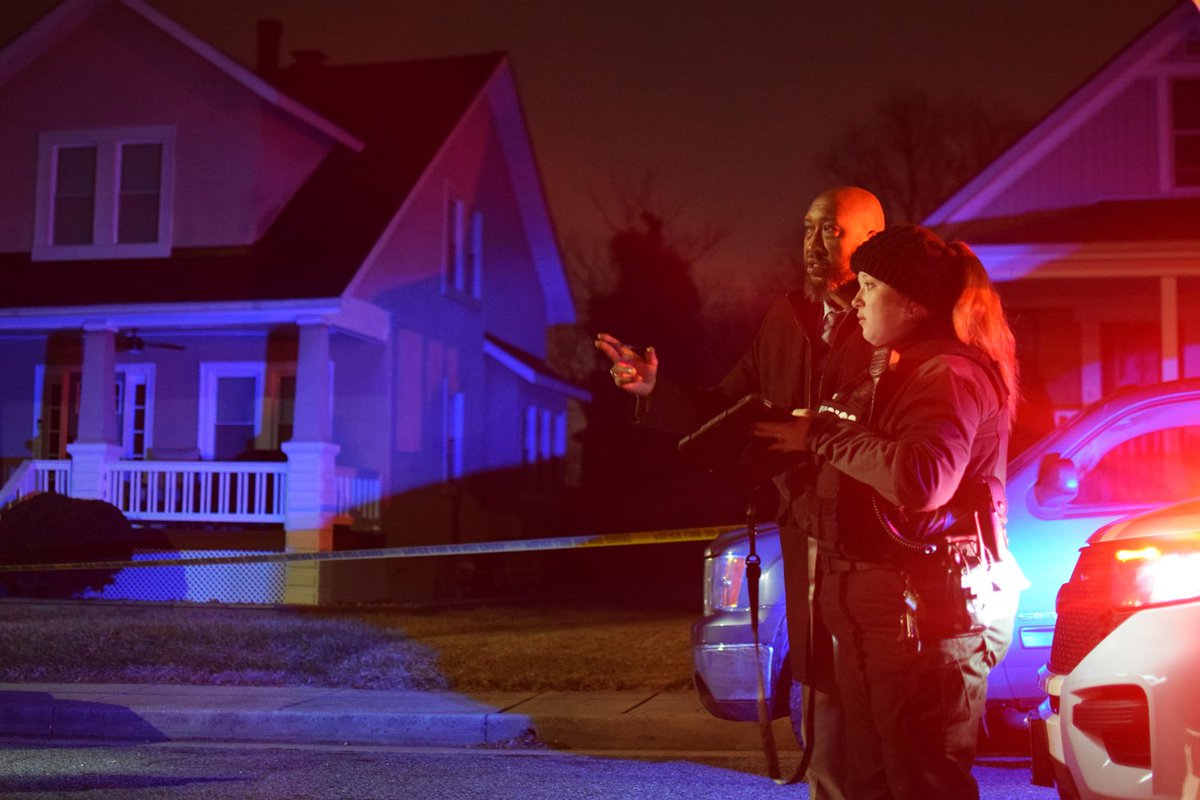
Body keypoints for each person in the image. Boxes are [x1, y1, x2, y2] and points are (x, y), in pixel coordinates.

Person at [595, 186, 885, 800]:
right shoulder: (785, 318)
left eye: (832, 230)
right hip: (805, 530)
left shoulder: (892, 318)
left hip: (872, 538)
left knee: (878, 700)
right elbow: (726, 408)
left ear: (870, 240)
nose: (814, 242)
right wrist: (654, 390)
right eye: (808, 228)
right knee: (822, 695)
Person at [753, 224, 1022, 800]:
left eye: (871, 287)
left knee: (922, 784)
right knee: (872, 782)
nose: (857, 300)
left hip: (923, 618)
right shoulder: (903, 366)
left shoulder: (946, 373)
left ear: (914, 303)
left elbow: (921, 480)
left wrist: (821, 439)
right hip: (886, 612)